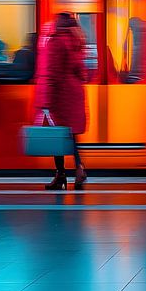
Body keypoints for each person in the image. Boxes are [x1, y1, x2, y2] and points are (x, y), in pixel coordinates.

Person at [38, 13, 88, 190]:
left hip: (60, 96)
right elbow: (83, 73)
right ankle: (79, 169)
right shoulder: (78, 42)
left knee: (56, 135)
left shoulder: (56, 41)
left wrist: (45, 102)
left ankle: (60, 175)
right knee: (71, 136)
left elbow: (51, 74)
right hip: (75, 94)